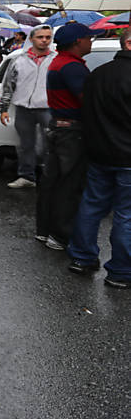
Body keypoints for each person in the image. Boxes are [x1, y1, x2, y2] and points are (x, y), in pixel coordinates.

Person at [66, 36, 131, 288]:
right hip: (126, 156)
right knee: (126, 214)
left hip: (99, 152)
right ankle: (121, 271)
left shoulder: (96, 75)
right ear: (128, 43)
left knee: (92, 205)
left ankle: (82, 258)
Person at [37, 23, 102, 250]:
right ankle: (61, 235)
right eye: (88, 38)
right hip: (71, 132)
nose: (90, 42)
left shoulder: (59, 62)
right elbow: (88, 100)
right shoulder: (73, 67)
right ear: (77, 42)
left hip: (59, 128)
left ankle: (45, 231)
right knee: (69, 184)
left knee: (53, 181)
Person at [0, 25, 55, 189]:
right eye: (40, 37)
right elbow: (8, 86)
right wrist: (3, 109)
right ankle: (27, 176)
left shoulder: (54, 60)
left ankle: (48, 177)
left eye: (47, 37)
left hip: (47, 108)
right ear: (31, 39)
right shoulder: (19, 60)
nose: (44, 40)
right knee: (25, 145)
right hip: (23, 108)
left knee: (49, 145)